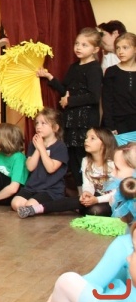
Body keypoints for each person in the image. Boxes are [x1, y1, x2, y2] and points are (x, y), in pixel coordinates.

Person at [38, 27, 103, 185]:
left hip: (85, 121)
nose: (78, 47)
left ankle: (90, 191)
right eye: (77, 44)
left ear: (95, 49)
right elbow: (65, 90)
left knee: (83, 156)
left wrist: (70, 101)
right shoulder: (74, 67)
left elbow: (94, 97)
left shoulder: (94, 68)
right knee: (72, 159)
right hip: (71, 120)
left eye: (84, 45)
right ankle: (81, 192)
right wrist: (50, 77)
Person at [18, 127, 117, 218]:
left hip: (112, 200)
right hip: (95, 196)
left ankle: (82, 209)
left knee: (95, 210)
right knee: (76, 201)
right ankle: (35, 209)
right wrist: (87, 193)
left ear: (104, 143)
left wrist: (96, 200)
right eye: (86, 137)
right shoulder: (86, 161)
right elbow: (88, 184)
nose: (86, 140)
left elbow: (116, 193)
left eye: (92, 138)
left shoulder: (113, 163)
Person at [46, 222, 136, 302]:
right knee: (66, 283)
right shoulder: (124, 244)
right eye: (133, 249)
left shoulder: (124, 245)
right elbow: (95, 279)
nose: (128, 258)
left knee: (65, 281)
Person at [11, 108, 70, 216]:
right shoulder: (33, 144)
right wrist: (38, 148)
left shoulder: (60, 147)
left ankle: (47, 206)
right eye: (37, 123)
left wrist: (42, 148)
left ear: (55, 128)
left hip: (51, 190)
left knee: (29, 205)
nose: (38, 126)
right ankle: (35, 207)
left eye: (43, 123)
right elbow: (30, 167)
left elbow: (50, 168)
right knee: (16, 204)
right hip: (33, 187)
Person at [103, 33, 136, 136]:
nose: (120, 51)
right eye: (118, 48)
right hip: (118, 124)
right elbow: (107, 101)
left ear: (135, 49)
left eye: (125, 47)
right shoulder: (111, 71)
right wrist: (110, 126)